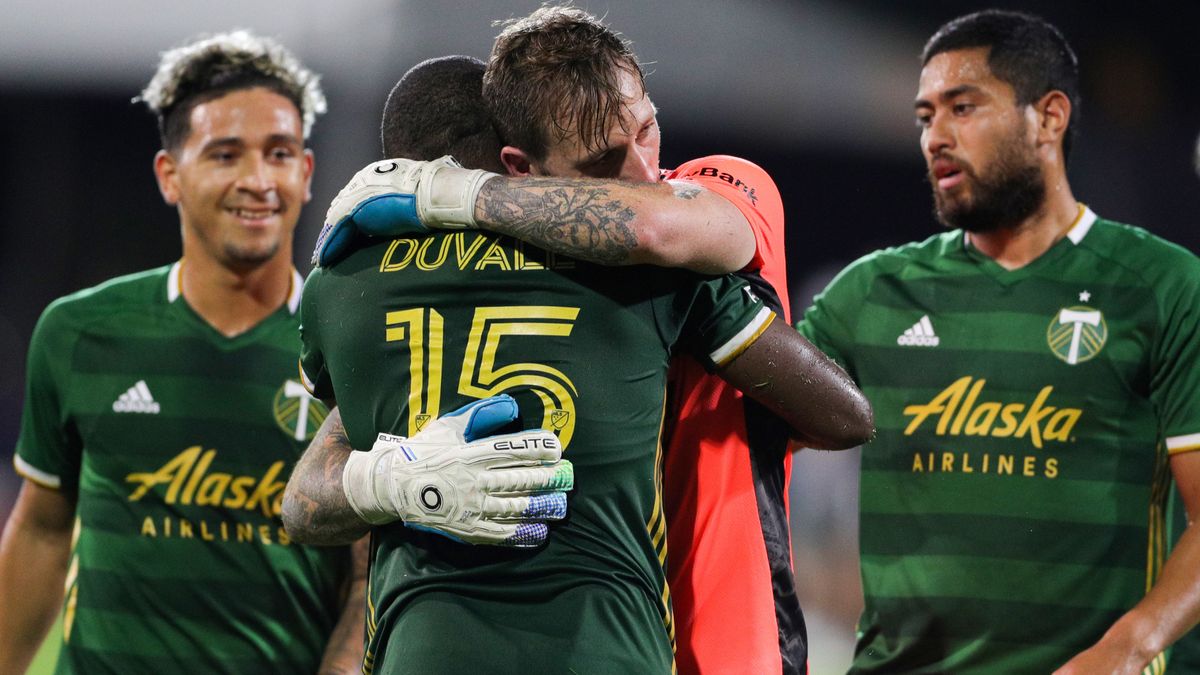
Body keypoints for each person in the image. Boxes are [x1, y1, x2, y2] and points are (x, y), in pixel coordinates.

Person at [282, 12, 873, 674]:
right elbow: (844, 413)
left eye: (647, 130)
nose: (645, 175)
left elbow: (305, 499)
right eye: (601, 160)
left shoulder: (342, 285)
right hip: (612, 645)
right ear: (519, 164)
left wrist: (388, 480)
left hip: (420, 648)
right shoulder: (655, 263)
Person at [795, 10, 1200, 674]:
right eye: (926, 117)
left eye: (963, 108)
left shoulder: (1162, 287)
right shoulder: (870, 293)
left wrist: (1130, 643)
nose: (936, 137)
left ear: (1050, 117)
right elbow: (738, 436)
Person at [0, 31, 366, 673]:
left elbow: (365, 582)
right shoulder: (80, 333)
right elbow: (42, 529)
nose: (258, 180)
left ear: (306, 175)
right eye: (226, 155)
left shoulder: (355, 351)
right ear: (170, 176)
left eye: (278, 153)